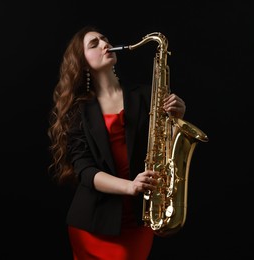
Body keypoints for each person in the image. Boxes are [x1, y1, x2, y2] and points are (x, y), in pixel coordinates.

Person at [47, 25, 186, 260]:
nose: (104, 44)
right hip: (92, 224)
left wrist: (177, 119)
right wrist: (129, 186)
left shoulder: (146, 95)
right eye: (94, 44)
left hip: (138, 218)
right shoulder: (77, 110)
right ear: (82, 63)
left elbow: (164, 149)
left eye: (105, 39)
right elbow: (85, 171)